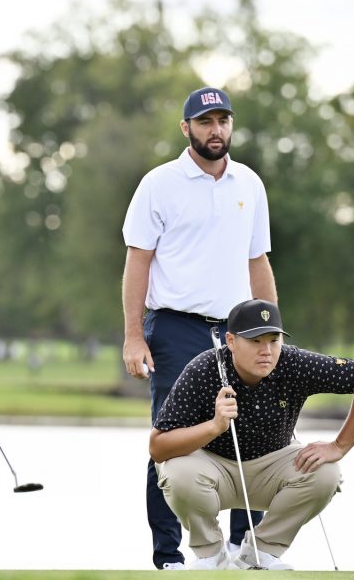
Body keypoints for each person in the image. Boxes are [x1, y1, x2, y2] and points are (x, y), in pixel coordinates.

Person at [122, 86, 276, 569]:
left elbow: (258, 261)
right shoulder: (159, 183)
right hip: (174, 327)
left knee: (252, 432)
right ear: (186, 128)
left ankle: (240, 547)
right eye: (206, 122)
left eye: (223, 120)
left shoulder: (249, 184)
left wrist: (271, 331)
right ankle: (170, 556)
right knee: (171, 436)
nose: (217, 130)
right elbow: (138, 261)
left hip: (239, 330)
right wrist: (132, 334)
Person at [150, 298, 354, 570]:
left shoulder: (294, 362)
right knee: (176, 469)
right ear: (230, 341)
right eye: (255, 341)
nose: (266, 351)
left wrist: (339, 446)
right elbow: (158, 447)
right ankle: (211, 554)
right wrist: (214, 426)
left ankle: (259, 554)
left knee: (327, 472)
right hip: (211, 469)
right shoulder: (203, 369)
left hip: (273, 467)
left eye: (273, 340)